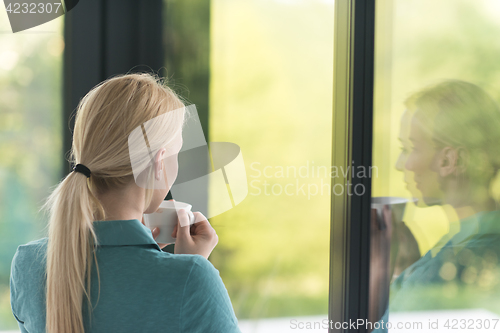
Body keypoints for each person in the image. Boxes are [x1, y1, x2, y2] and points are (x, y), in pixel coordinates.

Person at [9, 73, 242, 333]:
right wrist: (188, 272)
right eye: (176, 153)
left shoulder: (28, 265)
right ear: (158, 162)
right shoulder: (191, 278)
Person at [371, 80, 500, 332]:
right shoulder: (472, 242)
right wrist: (406, 270)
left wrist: (378, 274)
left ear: (451, 160)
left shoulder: (453, 263)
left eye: (409, 148)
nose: (400, 164)